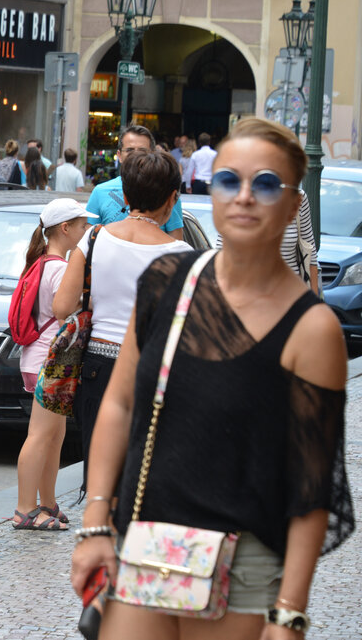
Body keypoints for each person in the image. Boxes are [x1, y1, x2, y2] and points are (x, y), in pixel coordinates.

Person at [71, 117, 353, 638]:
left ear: (294, 206)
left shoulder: (313, 328)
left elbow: (311, 485)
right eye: (229, 180)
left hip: (244, 558)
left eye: (266, 183)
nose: (244, 196)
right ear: (208, 192)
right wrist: (95, 523)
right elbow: (120, 404)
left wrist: (288, 611)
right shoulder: (167, 281)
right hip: (149, 542)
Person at [53, 150, 191, 475]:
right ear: (172, 199)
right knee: (144, 474)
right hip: (152, 369)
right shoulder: (182, 255)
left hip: (97, 367)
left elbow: (61, 307)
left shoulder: (94, 237)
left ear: (125, 195)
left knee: (102, 471)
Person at [12, 198, 95, 531]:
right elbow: (69, 308)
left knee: (53, 437)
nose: (85, 230)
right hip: (50, 360)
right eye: (81, 225)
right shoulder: (60, 268)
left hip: (40, 358)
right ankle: (25, 510)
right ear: (66, 228)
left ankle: (46, 503)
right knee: (40, 436)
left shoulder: (43, 262)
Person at [86, 125, 185, 240]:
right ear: (119, 155)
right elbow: (87, 241)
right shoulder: (100, 192)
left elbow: (176, 244)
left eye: (142, 151)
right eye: (129, 150)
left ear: (153, 154)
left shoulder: (166, 193)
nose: (136, 156)